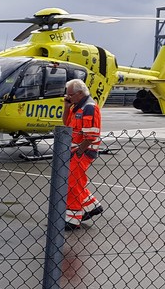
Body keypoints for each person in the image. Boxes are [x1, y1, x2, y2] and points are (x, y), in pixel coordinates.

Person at [62, 79, 104, 231]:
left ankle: (72, 220)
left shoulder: (89, 108)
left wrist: (79, 152)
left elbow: (91, 136)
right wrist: (67, 108)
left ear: (80, 94)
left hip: (83, 152)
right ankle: (91, 205)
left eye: (70, 95)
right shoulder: (76, 107)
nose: (68, 97)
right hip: (76, 150)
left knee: (72, 184)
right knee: (75, 181)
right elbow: (66, 126)